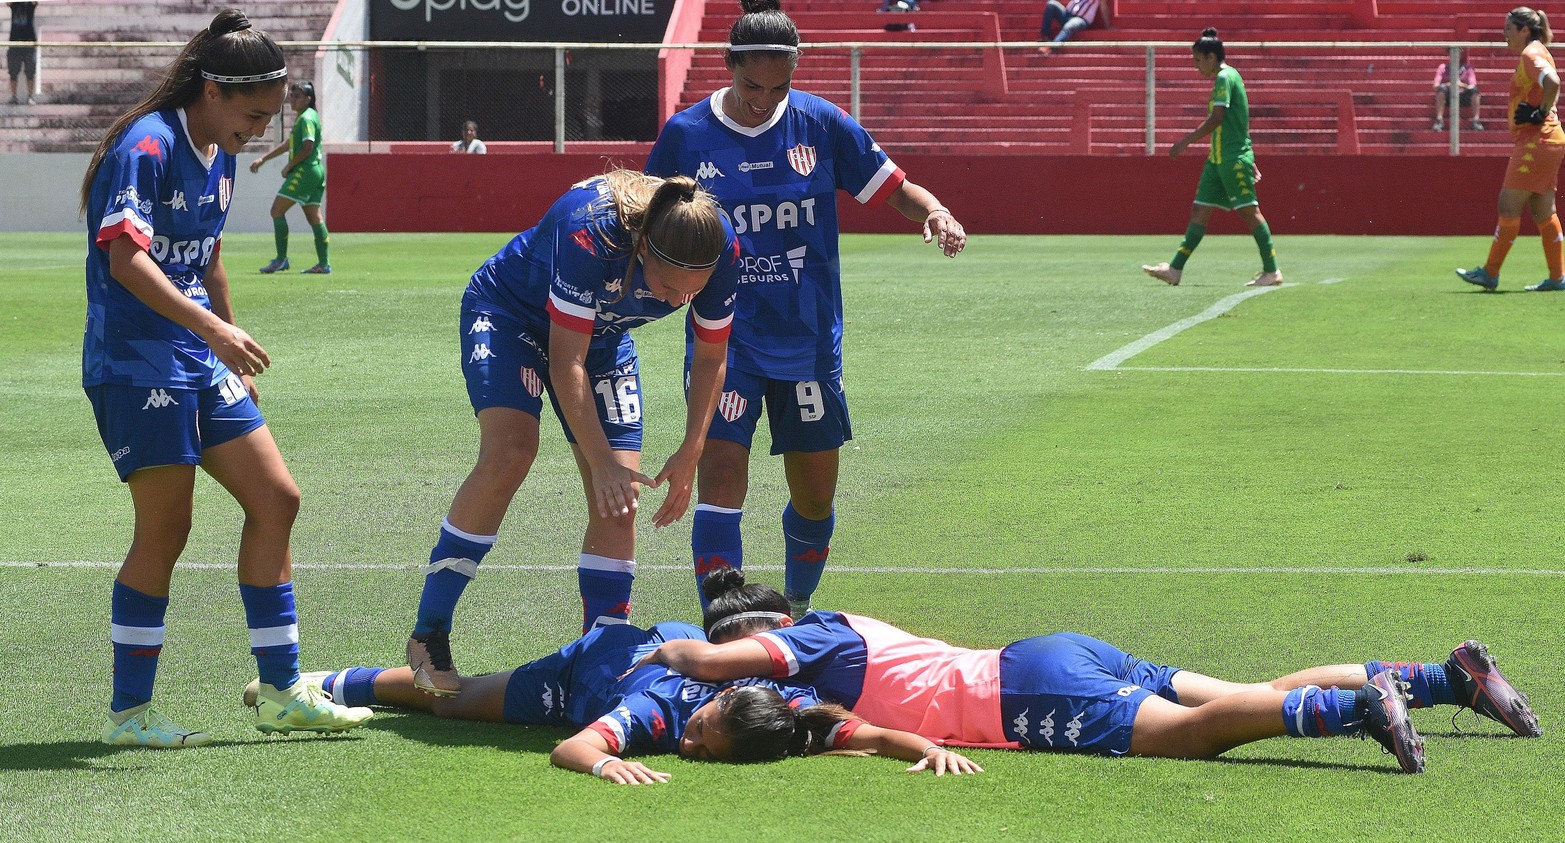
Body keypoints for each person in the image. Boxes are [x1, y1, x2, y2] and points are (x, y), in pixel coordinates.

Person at [78, 9, 372, 746]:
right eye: (253, 114)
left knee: (277, 497)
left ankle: (282, 691)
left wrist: (229, 347)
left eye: (273, 117)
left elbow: (207, 259)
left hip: (196, 361)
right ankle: (129, 713)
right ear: (211, 91)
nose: (264, 130)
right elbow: (127, 259)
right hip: (136, 360)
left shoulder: (221, 153)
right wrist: (211, 330)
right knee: (167, 527)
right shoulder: (146, 145)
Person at [645, 0, 967, 621]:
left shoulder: (822, 124)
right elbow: (647, 218)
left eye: (779, 86)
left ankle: (798, 605)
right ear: (729, 66)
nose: (765, 99)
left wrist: (935, 211)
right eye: (751, 85)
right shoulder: (686, 136)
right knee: (720, 473)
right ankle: (725, 619)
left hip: (810, 338)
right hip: (725, 340)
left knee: (814, 495)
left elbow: (895, 188)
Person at [632, 568, 1545, 775]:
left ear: (773, 631)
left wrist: (663, 649)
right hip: (1047, 656)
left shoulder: (810, 643)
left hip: (1023, 694)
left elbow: (716, 656)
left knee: (1187, 740)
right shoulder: (841, 629)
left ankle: (1357, 713)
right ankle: (1440, 676)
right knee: (1238, 696)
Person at [405, 170, 742, 697]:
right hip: (511, 315)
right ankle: (429, 634)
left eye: (692, 292)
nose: (680, 302)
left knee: (621, 498)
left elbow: (712, 355)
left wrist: (691, 447)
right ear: (643, 249)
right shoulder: (593, 231)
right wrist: (602, 460)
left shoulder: (720, 247)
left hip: (602, 339)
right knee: (511, 452)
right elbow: (566, 364)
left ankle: (599, 653)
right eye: (669, 287)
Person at [314, 614, 980, 782]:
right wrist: (604, 762)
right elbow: (571, 745)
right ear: (716, 704)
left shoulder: (783, 720)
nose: (685, 745)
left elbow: (868, 736)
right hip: (595, 668)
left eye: (700, 752)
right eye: (699, 732)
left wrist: (929, 749)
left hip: (668, 641)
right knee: (456, 703)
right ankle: (333, 681)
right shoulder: (659, 711)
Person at [1143, 27, 1282, 288]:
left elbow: (1217, 119)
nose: (1196, 66)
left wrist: (1185, 141)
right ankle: (1175, 269)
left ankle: (1272, 271)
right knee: (1199, 211)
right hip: (1218, 160)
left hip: (1231, 159)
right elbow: (1237, 121)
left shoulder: (1224, 78)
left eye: (1198, 60)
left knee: (1251, 213)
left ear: (1210, 57)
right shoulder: (1228, 78)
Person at [1456, 7, 1565, 293]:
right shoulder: (1537, 50)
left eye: (1508, 29)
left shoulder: (1531, 54)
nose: (1505, 35)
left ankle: (1490, 273)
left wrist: (1540, 113)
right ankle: (1557, 278)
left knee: (1508, 205)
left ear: (1524, 30)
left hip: (1536, 139)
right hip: (1549, 139)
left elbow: (1553, 82)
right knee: (1543, 210)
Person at [250, 80, 330, 274]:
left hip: (305, 170)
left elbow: (308, 146)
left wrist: (289, 166)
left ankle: (280, 260)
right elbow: (289, 144)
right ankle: (323, 264)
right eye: (292, 95)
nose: (292, 99)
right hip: (316, 172)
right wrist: (264, 159)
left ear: (308, 99)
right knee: (314, 217)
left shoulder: (306, 119)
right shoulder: (308, 116)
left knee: (276, 211)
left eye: (297, 96)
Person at [1433, 48, 1483, 131]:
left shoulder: (1468, 68)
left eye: (1457, 53)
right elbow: (1435, 86)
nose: (1455, 56)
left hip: (1463, 95)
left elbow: (1472, 85)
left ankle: (1476, 121)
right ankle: (1439, 121)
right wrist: (1449, 85)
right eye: (1452, 53)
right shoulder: (1443, 67)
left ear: (1461, 55)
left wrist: (1461, 85)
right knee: (1441, 90)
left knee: (1475, 91)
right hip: (1448, 96)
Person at [1038, 0, 1107, 56]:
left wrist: (1108, 25)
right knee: (1051, 4)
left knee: (1069, 26)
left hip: (1081, 19)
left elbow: (1104, 8)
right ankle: (1045, 37)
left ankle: (1051, 47)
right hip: (1067, 14)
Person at [7, 0, 37, 104]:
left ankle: (30, 96)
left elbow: (35, 2)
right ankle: (14, 96)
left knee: (30, 72)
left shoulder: (30, 4)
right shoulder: (14, 4)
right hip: (14, 42)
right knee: (13, 72)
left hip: (28, 42)